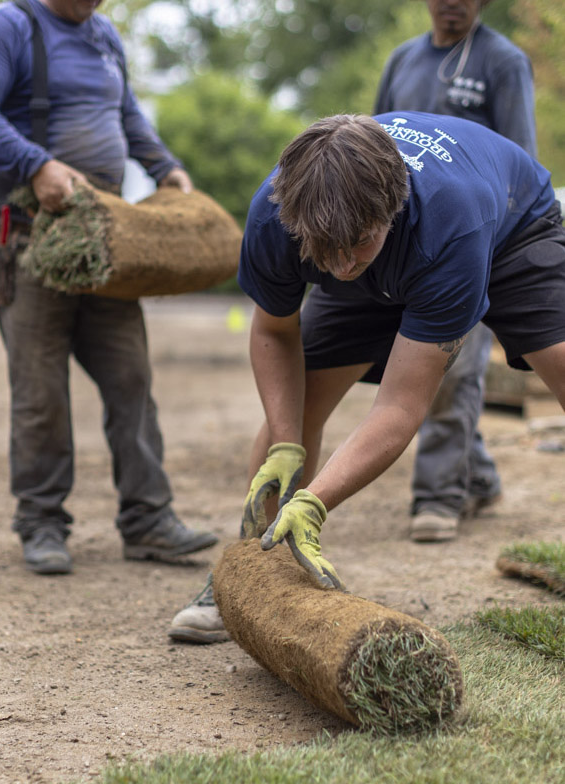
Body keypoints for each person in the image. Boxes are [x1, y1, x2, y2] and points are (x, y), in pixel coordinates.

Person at [169, 110, 564, 641]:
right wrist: (287, 444)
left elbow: (400, 408)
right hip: (383, 242)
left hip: (514, 228)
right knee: (299, 405)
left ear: (393, 208)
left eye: (357, 243)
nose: (340, 266)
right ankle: (249, 572)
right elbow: (273, 333)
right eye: (324, 250)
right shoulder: (280, 214)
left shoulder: (451, 222)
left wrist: (315, 503)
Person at [0, 0, 218, 574]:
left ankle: (148, 521)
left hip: (105, 244)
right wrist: (35, 164)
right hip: (30, 241)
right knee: (40, 388)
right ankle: (42, 523)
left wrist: (165, 166)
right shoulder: (6, 28)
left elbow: (126, 115)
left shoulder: (104, 36)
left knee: (131, 378)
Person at [374, 0, 537, 542]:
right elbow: (372, 141)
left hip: (474, 237)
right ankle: (481, 476)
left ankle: (440, 496)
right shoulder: (403, 60)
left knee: (459, 365)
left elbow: (521, 158)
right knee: (420, 369)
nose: (454, 4)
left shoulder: (502, 60)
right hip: (403, 241)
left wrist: (493, 246)